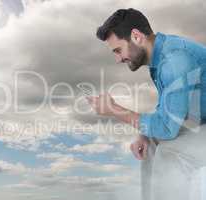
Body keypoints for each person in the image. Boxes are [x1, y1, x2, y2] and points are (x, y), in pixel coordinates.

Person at [87, 8, 206, 200]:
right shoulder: (160, 58)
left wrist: (114, 110)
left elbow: (168, 128)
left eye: (118, 50)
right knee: (150, 143)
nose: (118, 59)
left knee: (170, 152)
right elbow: (168, 108)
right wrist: (144, 133)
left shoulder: (174, 60)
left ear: (136, 36)